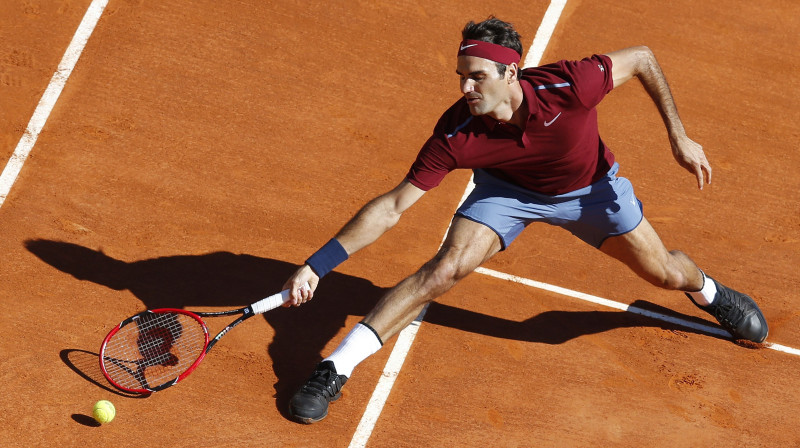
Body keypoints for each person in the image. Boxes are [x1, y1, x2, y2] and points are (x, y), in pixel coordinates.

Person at [281, 17, 768, 424]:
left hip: (590, 191)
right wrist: (317, 265)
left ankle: (709, 292)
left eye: (477, 77)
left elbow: (642, 57)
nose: (465, 88)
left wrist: (678, 136)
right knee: (444, 269)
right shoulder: (456, 131)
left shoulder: (569, 85)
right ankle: (334, 369)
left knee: (666, 275)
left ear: (510, 72)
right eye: (461, 76)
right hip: (508, 193)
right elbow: (391, 207)